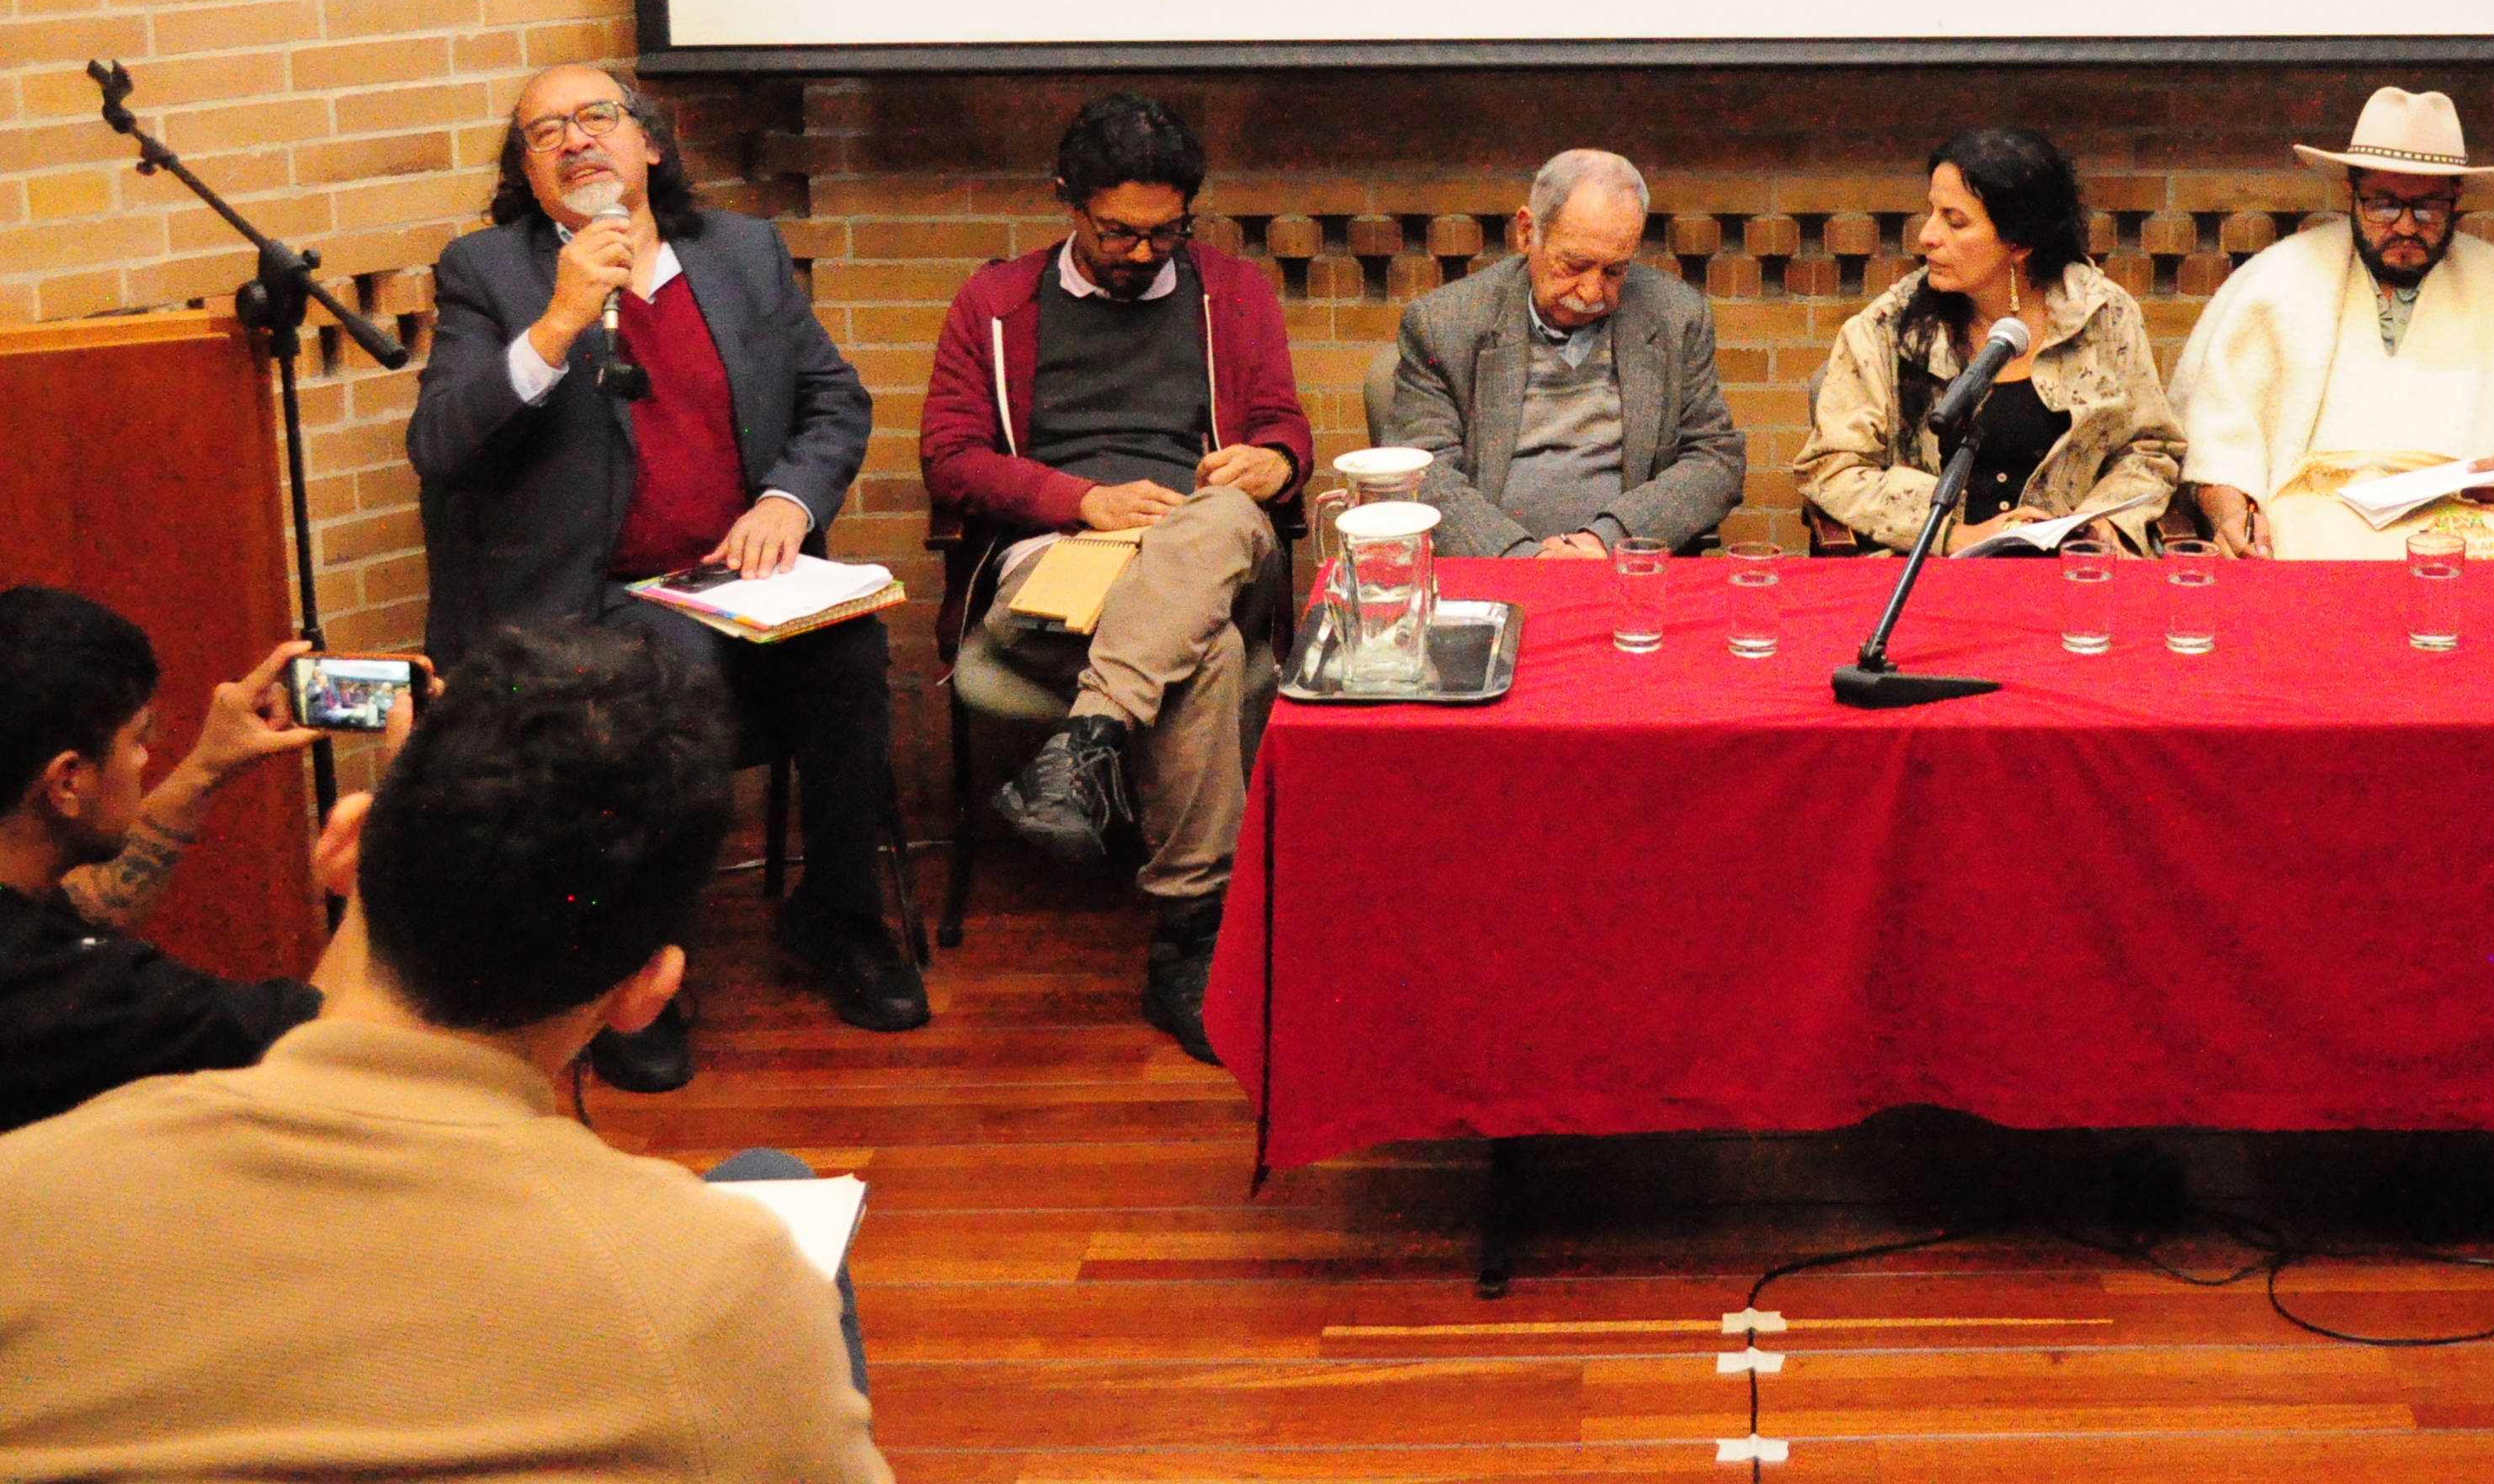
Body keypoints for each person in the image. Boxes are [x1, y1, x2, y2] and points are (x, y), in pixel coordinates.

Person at [0, 622, 889, 1481]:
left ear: (345, 845)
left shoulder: (23, 1200)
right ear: (645, 989)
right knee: (767, 1174)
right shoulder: (729, 1290)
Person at [409, 64, 926, 1096]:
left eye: (597, 118)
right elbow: (440, 444)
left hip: (736, 578)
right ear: (526, 171)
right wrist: (556, 325)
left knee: (851, 646)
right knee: (675, 660)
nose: (575, 141)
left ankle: (838, 913)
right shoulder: (489, 272)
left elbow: (834, 400)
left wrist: (787, 501)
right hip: (581, 599)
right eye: (544, 131)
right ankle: (632, 965)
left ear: (650, 143)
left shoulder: (740, 253)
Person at [920, 90, 1310, 1063]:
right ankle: (1187, 941)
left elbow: (1285, 429)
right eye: (1118, 234)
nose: (1143, 255)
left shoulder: (1231, 292)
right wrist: (1076, 500)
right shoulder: (995, 302)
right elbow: (950, 456)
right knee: (1207, 652)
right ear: (1067, 202)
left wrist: (1276, 463)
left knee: (1222, 515)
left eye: (1165, 233)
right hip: (1063, 563)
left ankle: (1085, 742)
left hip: (1202, 538)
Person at [2170, 88, 2494, 560]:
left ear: (2456, 199)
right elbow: (2217, 435)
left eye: (2427, 208)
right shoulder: (2277, 279)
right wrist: (2232, 512)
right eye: (2383, 204)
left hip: (2474, 517)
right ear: (2351, 192)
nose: (2405, 226)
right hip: (2321, 516)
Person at [0, 588, 340, 1130]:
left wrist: (207, 768)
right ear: (68, 779)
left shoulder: (26, 921)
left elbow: (90, 904)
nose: (145, 759)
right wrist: (387, 852)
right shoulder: (88, 999)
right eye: (137, 741)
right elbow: (336, 1041)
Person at [1798, 128, 2183, 554]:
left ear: (2019, 243)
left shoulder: (2101, 315)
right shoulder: (1888, 328)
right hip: (1931, 572)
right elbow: (1833, 467)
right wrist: (1954, 536)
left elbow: (2150, 450)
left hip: (2073, 571)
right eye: (1932, 212)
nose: (1928, 235)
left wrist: (2105, 523)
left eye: (1955, 220)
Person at [1386, 148, 1746, 558]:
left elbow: (1717, 459)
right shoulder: (1443, 324)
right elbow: (1420, 471)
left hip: (1623, 567)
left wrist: (1607, 539)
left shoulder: (1676, 316)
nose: (1593, 293)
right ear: (1526, 232)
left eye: (1615, 271)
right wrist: (1525, 558)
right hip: (1492, 571)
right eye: (1574, 265)